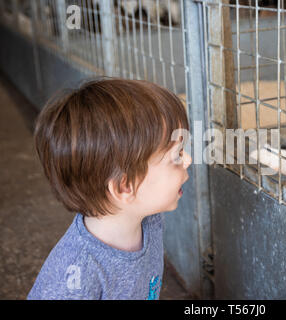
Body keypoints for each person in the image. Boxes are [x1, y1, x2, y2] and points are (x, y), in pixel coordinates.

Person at [27, 78, 191, 300]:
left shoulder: (149, 221)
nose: (188, 160)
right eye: (176, 156)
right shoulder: (76, 280)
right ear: (125, 186)